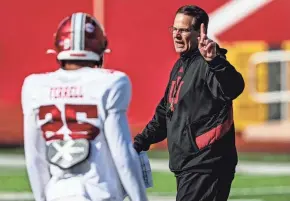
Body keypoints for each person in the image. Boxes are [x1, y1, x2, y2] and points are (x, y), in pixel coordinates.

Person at [21, 12, 148, 201]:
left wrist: (42, 198)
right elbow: (121, 153)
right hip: (99, 193)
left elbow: (34, 157)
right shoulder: (111, 82)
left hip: (58, 193)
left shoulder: (34, 86)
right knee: (138, 154)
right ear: (100, 49)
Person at [133, 5, 245, 201]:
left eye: (183, 30)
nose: (176, 35)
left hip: (207, 164)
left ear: (199, 32)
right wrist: (140, 142)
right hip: (187, 166)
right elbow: (165, 112)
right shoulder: (181, 65)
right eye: (174, 29)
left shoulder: (209, 62)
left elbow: (234, 88)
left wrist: (215, 61)